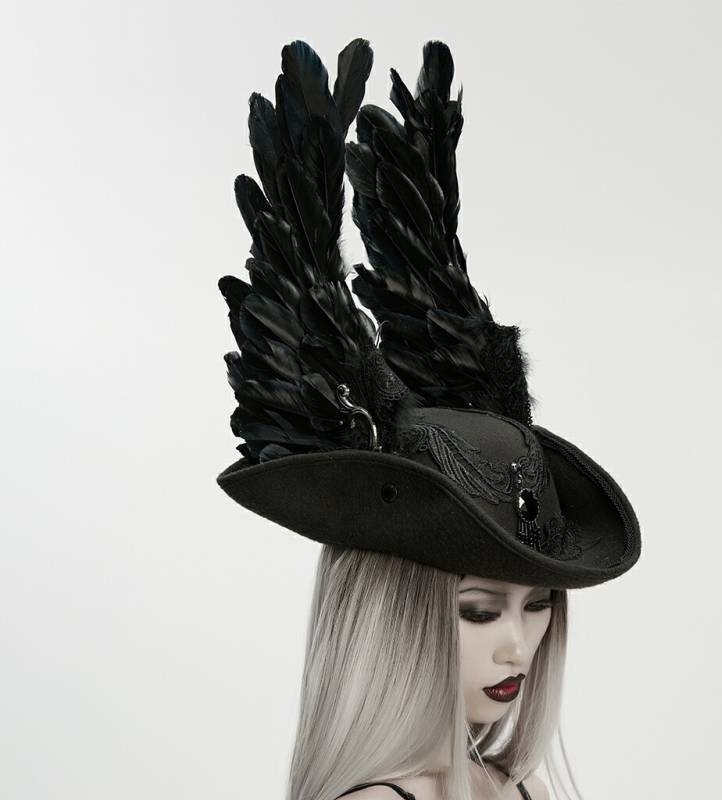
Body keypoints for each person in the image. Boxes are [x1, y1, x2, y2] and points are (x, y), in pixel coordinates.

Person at [216, 38, 641, 800]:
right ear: (391, 618)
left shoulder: (525, 790)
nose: (518, 648)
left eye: (538, 606)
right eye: (478, 611)